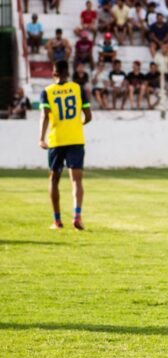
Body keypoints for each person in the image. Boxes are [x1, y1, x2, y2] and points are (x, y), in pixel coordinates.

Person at [38, 60, 92, 231]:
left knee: (54, 180)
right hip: (75, 139)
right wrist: (78, 124)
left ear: (53, 74)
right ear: (68, 73)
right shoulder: (78, 88)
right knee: (76, 180)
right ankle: (77, 216)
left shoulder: (47, 92)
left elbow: (45, 116)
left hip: (56, 140)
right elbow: (89, 116)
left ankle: (57, 221)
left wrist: (41, 138)